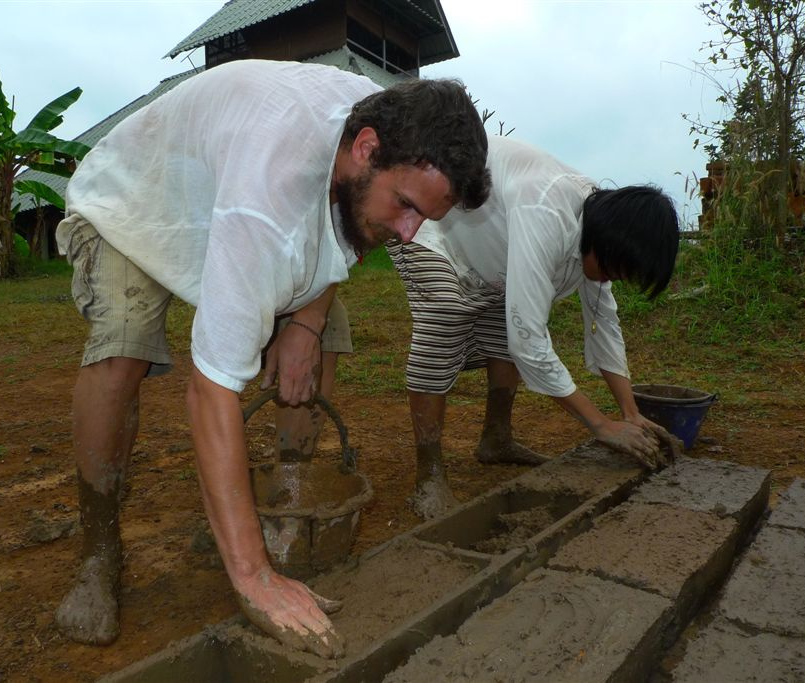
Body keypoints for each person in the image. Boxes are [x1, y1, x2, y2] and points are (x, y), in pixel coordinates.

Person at [52, 59, 491, 657]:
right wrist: (253, 581)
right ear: (366, 149)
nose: (409, 233)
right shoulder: (271, 191)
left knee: (323, 335)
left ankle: (283, 506)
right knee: (122, 347)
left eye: (424, 217)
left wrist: (306, 323)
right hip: (135, 206)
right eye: (406, 206)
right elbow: (210, 391)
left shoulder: (384, 121)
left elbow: (341, 237)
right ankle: (99, 554)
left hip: (228, 194)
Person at [386, 135, 680, 520]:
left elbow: (604, 324)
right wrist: (600, 424)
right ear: (607, 243)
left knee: (507, 321)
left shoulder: (597, 224)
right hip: (428, 225)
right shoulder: (547, 211)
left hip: (488, 254)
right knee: (447, 312)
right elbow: (530, 340)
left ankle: (496, 439)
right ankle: (429, 478)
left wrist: (630, 412)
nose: (609, 280)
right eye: (611, 270)